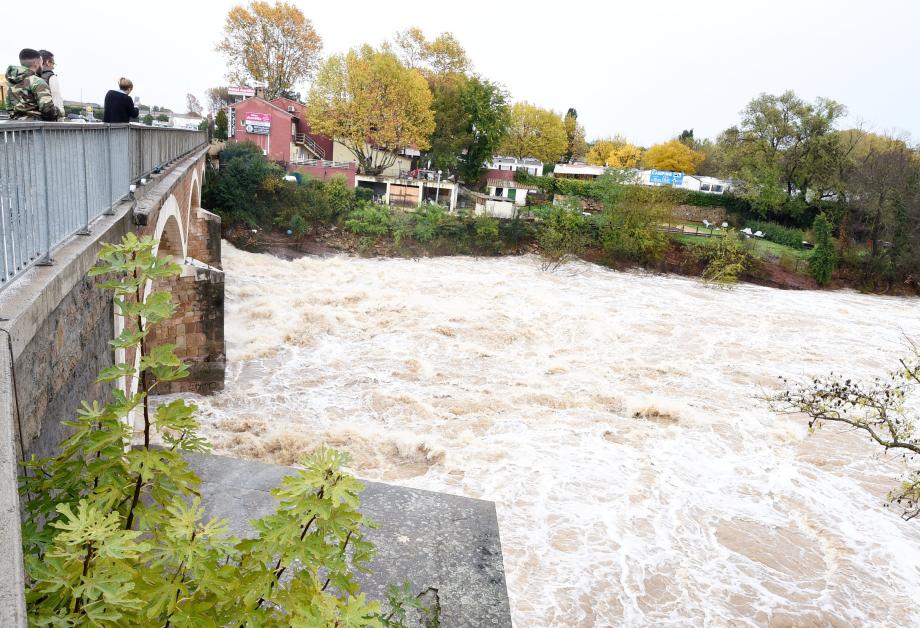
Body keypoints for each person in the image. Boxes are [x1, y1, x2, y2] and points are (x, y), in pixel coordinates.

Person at [5, 48, 60, 120]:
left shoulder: (10, 83)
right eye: (41, 63)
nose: (42, 67)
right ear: (36, 64)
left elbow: (8, 108)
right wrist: (58, 112)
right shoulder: (37, 82)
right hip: (36, 127)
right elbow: (48, 110)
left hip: (15, 127)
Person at [38, 50, 64, 120]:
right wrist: (61, 117)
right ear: (47, 62)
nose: (53, 67)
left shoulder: (30, 77)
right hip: (49, 121)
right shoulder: (51, 77)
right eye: (53, 63)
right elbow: (56, 99)